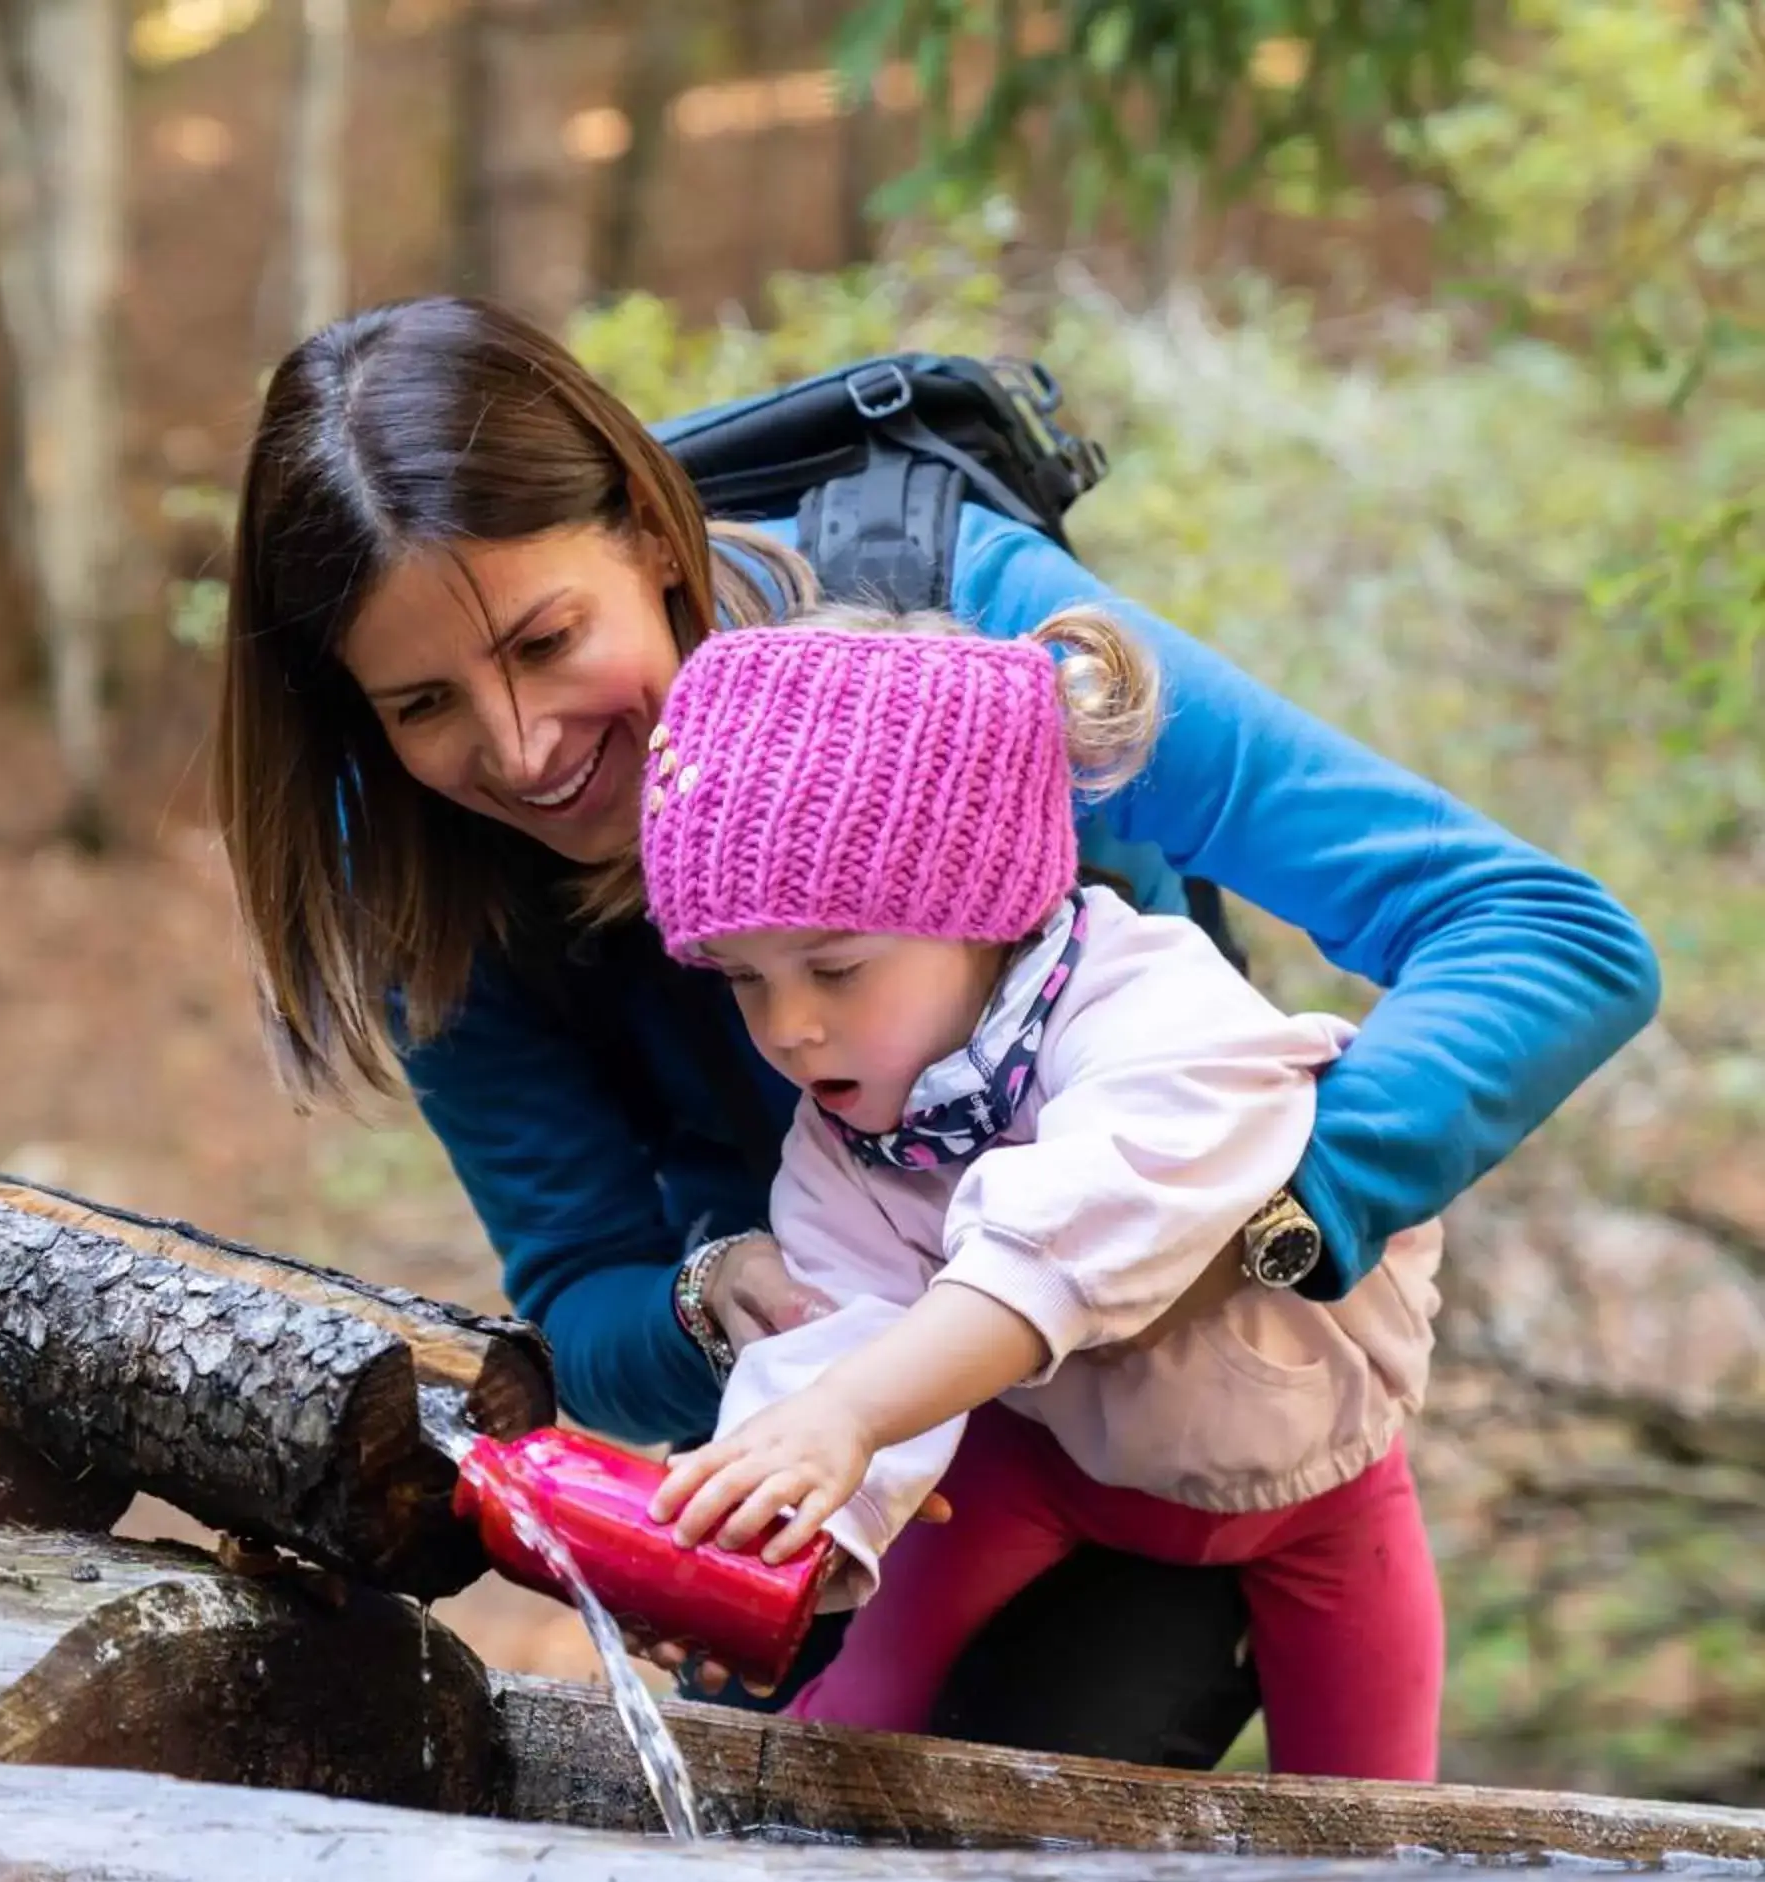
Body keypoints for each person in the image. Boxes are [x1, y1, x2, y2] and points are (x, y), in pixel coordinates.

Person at [211, 295, 1657, 1761]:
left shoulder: (961, 646)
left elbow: (1542, 934)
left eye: (546, 638)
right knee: (797, 1834)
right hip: (850, 1455)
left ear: (654, 536)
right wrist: (716, 1303)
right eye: (423, 701)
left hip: (1196, 1424)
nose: (516, 748)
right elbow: (585, 1291)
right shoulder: (411, 864)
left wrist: (1264, 1207)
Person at [636, 607, 1444, 1778]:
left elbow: (1069, 1232)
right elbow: (829, 1344)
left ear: (983, 911)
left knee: (1382, 1825)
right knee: (841, 1731)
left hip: (1323, 1487)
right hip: (1044, 1469)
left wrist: (853, 1414)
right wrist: (752, 1552)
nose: (791, 1028)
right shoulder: (843, 1139)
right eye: (744, 981)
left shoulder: (1155, 1011)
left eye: (835, 966)